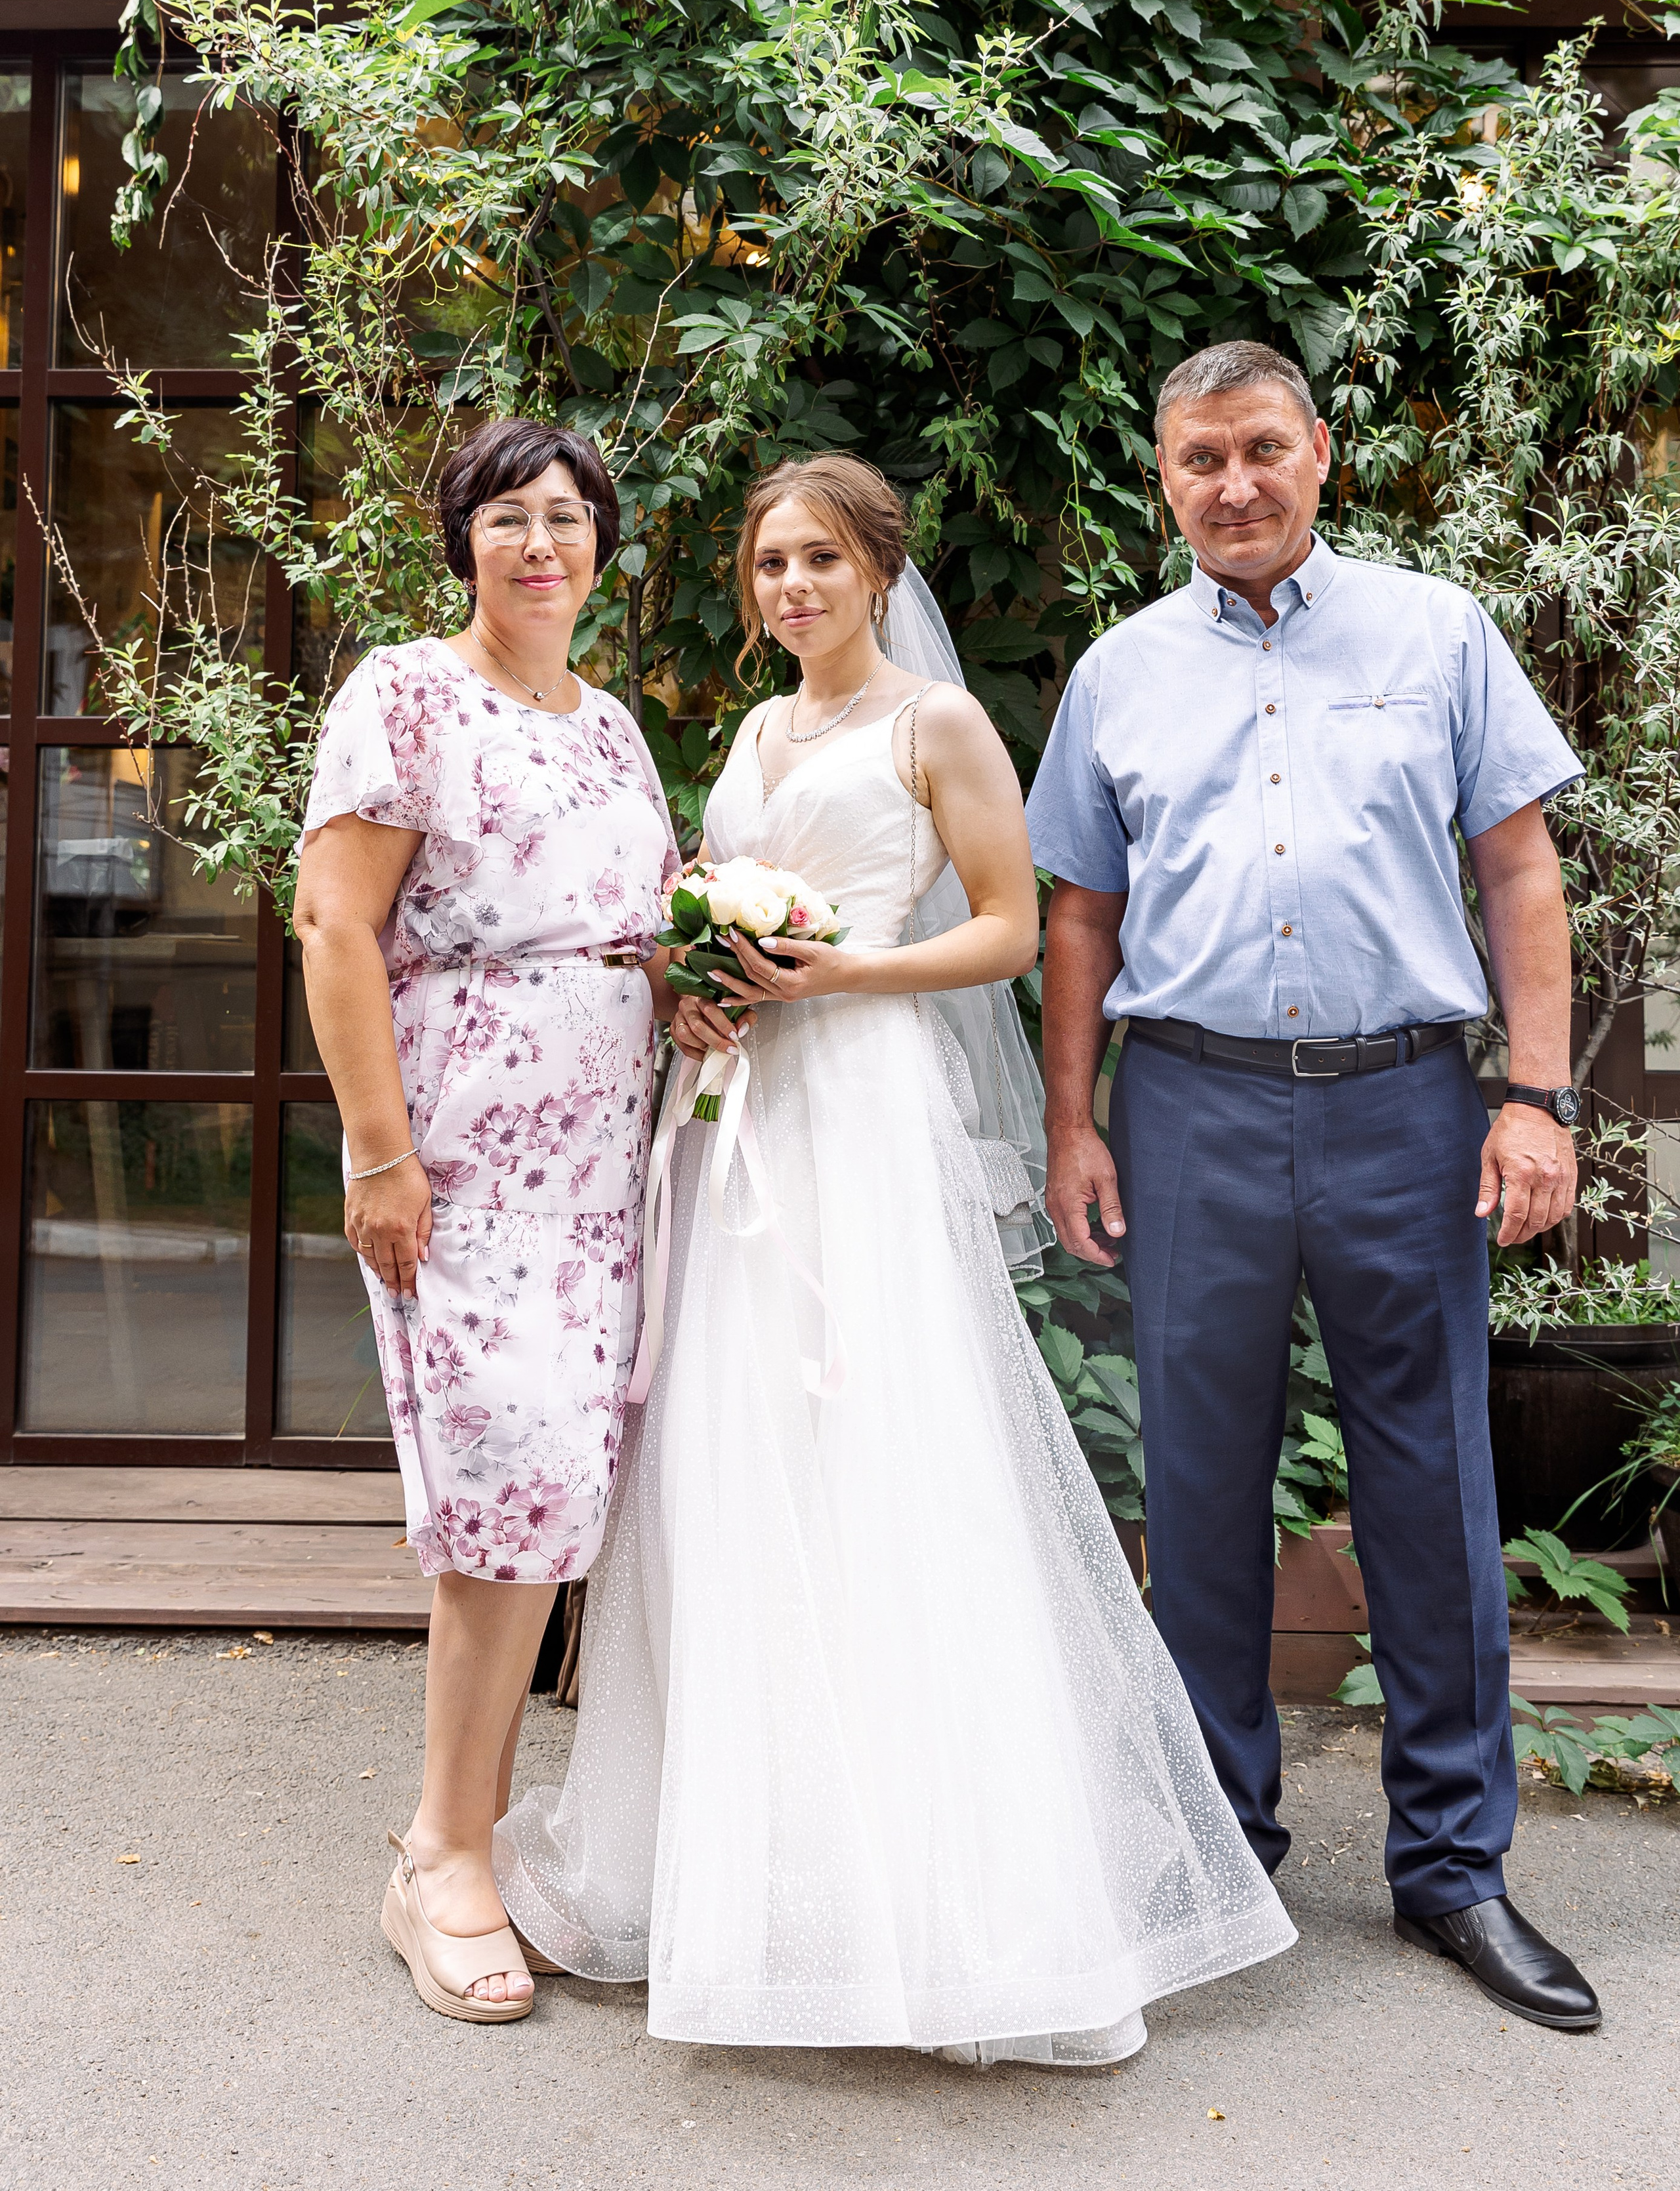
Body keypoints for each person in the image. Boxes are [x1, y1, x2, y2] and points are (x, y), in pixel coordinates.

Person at [495, 453, 1295, 2065]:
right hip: (736, 1116)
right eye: (767, 562)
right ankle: (749, 1862)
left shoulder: (937, 725)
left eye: (818, 559)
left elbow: (1007, 925)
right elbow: (701, 920)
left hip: (859, 1114)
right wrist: (700, 988)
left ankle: (942, 1901)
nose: (790, 585)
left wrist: (834, 975)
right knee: (735, 1459)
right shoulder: (752, 735)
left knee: (879, 1450)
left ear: (875, 570)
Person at [1028, 339, 1599, 2033]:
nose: (1235, 484)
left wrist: (1535, 1100)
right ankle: (1222, 1858)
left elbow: (1519, 869)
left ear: (1321, 452)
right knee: (1199, 1486)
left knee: (1431, 1484)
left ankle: (1456, 1869)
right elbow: (1079, 918)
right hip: (1189, 1107)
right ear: (1164, 480)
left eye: (1262, 448)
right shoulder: (1119, 673)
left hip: (1404, 1108)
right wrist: (1072, 1123)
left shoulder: (1438, 634)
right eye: (1200, 459)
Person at [293, 419, 679, 2023]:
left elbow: (630, 932)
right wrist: (380, 1155)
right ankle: (439, 1858)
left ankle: (482, 1835)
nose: (539, 544)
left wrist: (700, 986)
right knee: (503, 1489)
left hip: (607, 1169)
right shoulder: (404, 692)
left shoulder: (612, 726)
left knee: (558, 1494)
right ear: (462, 540)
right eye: (508, 517)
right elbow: (333, 923)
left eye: (567, 519)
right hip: (463, 1161)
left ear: (601, 548)